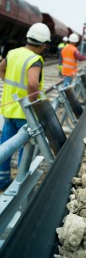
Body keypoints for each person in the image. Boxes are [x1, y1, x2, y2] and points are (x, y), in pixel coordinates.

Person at [0, 22, 51, 190]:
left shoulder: (13, 53)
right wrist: (33, 103)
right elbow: (32, 83)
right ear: (43, 45)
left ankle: (2, 180)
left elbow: (1, 68)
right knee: (26, 146)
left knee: (6, 145)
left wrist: (8, 84)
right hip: (25, 114)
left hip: (9, 111)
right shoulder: (35, 59)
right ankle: (20, 182)